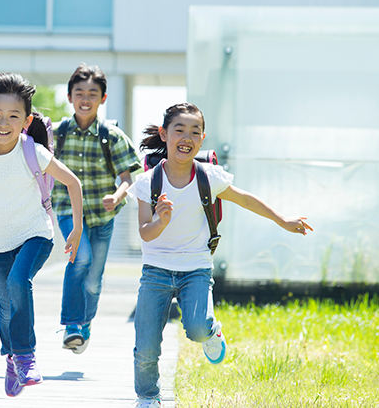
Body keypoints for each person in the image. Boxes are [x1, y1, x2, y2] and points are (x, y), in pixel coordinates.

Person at [127, 103, 313, 408]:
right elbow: (145, 232)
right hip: (155, 271)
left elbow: (245, 200)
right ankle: (148, 397)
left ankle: (212, 331)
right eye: (179, 130)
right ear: (164, 134)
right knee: (146, 345)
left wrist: (282, 220)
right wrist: (161, 221)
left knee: (198, 329)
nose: (187, 137)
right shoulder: (149, 183)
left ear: (202, 139)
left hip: (196, 267)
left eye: (195, 131)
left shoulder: (208, 177)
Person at [0, 72, 84, 397]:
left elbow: (73, 183)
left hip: (34, 234)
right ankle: (11, 357)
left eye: (13, 116)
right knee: (6, 305)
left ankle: (26, 356)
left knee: (16, 282)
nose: (3, 122)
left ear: (26, 121)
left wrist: (77, 228)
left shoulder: (33, 151)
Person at [53, 63, 141, 354]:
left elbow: (129, 177)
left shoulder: (111, 135)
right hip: (68, 210)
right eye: (79, 93)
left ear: (103, 98)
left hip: (103, 216)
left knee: (93, 280)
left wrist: (117, 196)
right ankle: (72, 325)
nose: (85, 99)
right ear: (69, 97)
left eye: (93, 93)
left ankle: (85, 324)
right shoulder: (57, 134)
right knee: (80, 259)